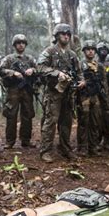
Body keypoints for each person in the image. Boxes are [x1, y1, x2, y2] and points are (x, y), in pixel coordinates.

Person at [37, 23, 85, 163]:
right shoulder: (50, 51)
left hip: (68, 93)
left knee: (66, 121)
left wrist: (81, 81)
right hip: (53, 93)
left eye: (68, 34)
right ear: (57, 35)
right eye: (63, 34)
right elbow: (40, 67)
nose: (66, 36)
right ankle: (45, 150)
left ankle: (65, 148)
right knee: (51, 121)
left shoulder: (72, 55)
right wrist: (57, 73)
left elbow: (79, 72)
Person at [0, 34, 37, 149]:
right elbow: (1, 70)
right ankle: (10, 141)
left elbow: (39, 69)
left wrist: (32, 70)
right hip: (13, 90)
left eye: (23, 43)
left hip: (27, 90)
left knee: (27, 115)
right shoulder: (9, 58)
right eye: (18, 43)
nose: (21, 45)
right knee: (11, 115)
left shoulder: (30, 59)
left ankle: (26, 140)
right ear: (15, 45)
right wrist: (13, 73)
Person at [76, 40, 109, 157]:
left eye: (92, 49)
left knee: (95, 122)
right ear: (84, 51)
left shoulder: (100, 66)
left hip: (96, 97)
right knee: (83, 121)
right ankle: (82, 147)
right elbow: (76, 80)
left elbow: (104, 82)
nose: (90, 51)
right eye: (88, 49)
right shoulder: (80, 64)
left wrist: (106, 99)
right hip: (84, 96)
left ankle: (93, 146)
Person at [96, 42, 109, 151]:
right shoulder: (95, 64)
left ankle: (108, 141)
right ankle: (97, 141)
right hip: (99, 96)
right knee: (98, 120)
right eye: (101, 49)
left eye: (105, 49)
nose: (103, 51)